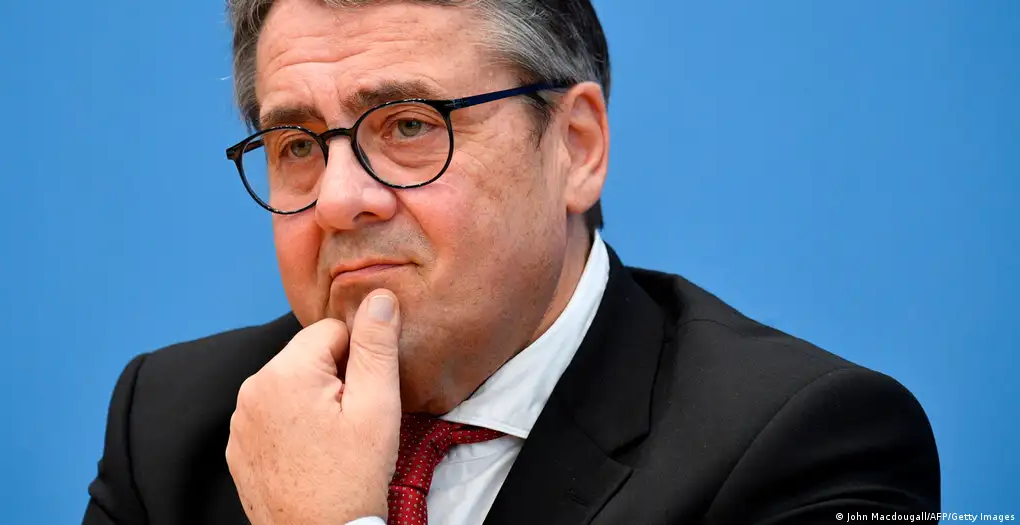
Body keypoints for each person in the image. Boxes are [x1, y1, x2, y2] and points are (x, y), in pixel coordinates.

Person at [83, 0, 941, 523]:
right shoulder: (174, 427)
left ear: (576, 147)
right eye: (298, 144)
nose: (340, 199)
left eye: (409, 125)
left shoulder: (806, 445)